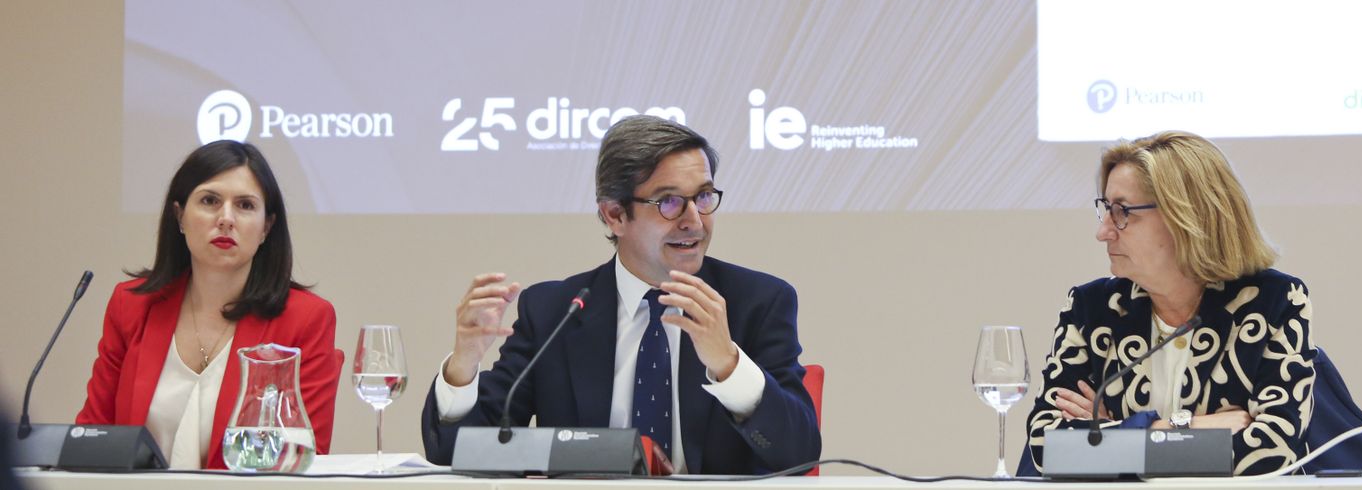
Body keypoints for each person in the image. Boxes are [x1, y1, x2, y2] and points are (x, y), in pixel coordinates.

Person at [421, 115, 820, 474]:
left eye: (702, 197)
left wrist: (730, 366)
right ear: (615, 214)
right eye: (669, 202)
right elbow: (460, 453)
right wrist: (463, 367)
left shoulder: (758, 302)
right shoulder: (554, 312)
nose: (695, 221)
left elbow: (799, 456)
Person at [1023, 130, 1313, 476]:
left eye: (1122, 212)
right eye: (1105, 209)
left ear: (1186, 216)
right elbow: (1048, 446)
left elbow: (1272, 452)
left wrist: (1110, 436)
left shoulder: (1272, 303)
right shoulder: (1092, 309)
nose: (1103, 231)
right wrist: (1167, 427)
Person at [77, 142, 338, 469]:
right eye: (210, 201)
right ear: (180, 216)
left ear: (266, 228)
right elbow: (92, 436)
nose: (226, 219)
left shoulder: (305, 319)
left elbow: (299, 458)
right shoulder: (131, 305)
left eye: (244, 205)